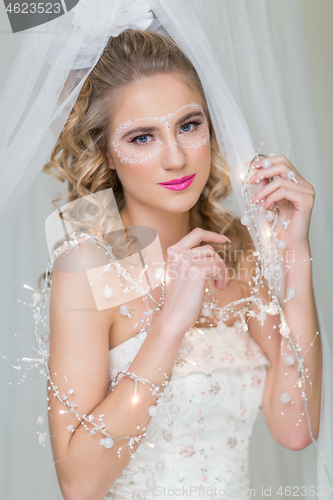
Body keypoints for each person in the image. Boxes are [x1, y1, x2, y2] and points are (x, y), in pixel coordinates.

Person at [43, 29, 323, 500]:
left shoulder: (237, 252)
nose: (176, 158)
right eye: (142, 136)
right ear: (107, 151)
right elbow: (79, 484)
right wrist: (171, 322)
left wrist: (294, 253)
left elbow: (295, 428)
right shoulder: (91, 262)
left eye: (189, 125)